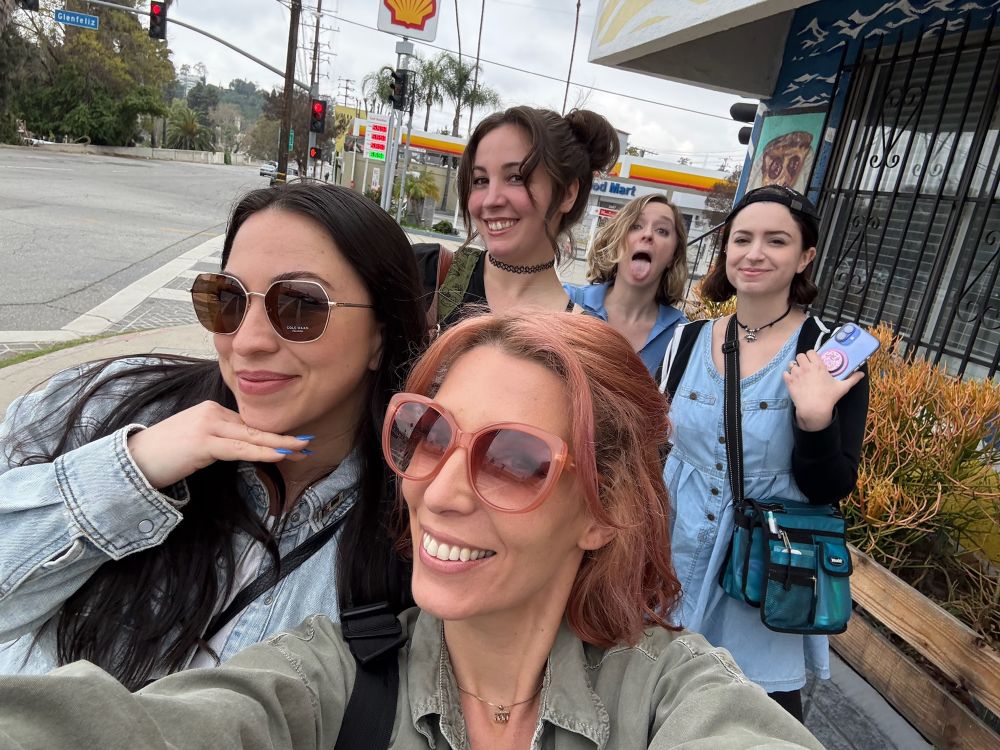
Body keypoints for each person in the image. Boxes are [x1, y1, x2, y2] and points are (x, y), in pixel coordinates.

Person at [0, 311, 824, 750]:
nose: (442, 491)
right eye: (426, 433)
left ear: (604, 511)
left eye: (514, 460)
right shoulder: (325, 680)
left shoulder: (671, 698)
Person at [0, 183, 426, 688]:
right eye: (227, 299)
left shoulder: (414, 527)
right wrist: (133, 470)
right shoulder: (106, 405)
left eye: (300, 306)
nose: (246, 341)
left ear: (381, 334)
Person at [659, 185, 870, 720]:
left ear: (805, 256)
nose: (754, 253)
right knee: (651, 700)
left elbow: (830, 486)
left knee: (747, 717)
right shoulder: (686, 339)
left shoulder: (827, 352)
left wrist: (816, 419)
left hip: (759, 570)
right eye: (742, 239)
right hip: (669, 552)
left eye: (776, 241)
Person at [415, 105, 620, 329]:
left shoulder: (586, 344)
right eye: (480, 180)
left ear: (567, 193)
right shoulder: (424, 274)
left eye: (515, 178)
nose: (491, 200)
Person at [565, 194, 689, 378]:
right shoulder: (568, 302)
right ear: (616, 242)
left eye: (662, 230)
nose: (647, 235)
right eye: (636, 226)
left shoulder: (683, 336)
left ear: (673, 256)